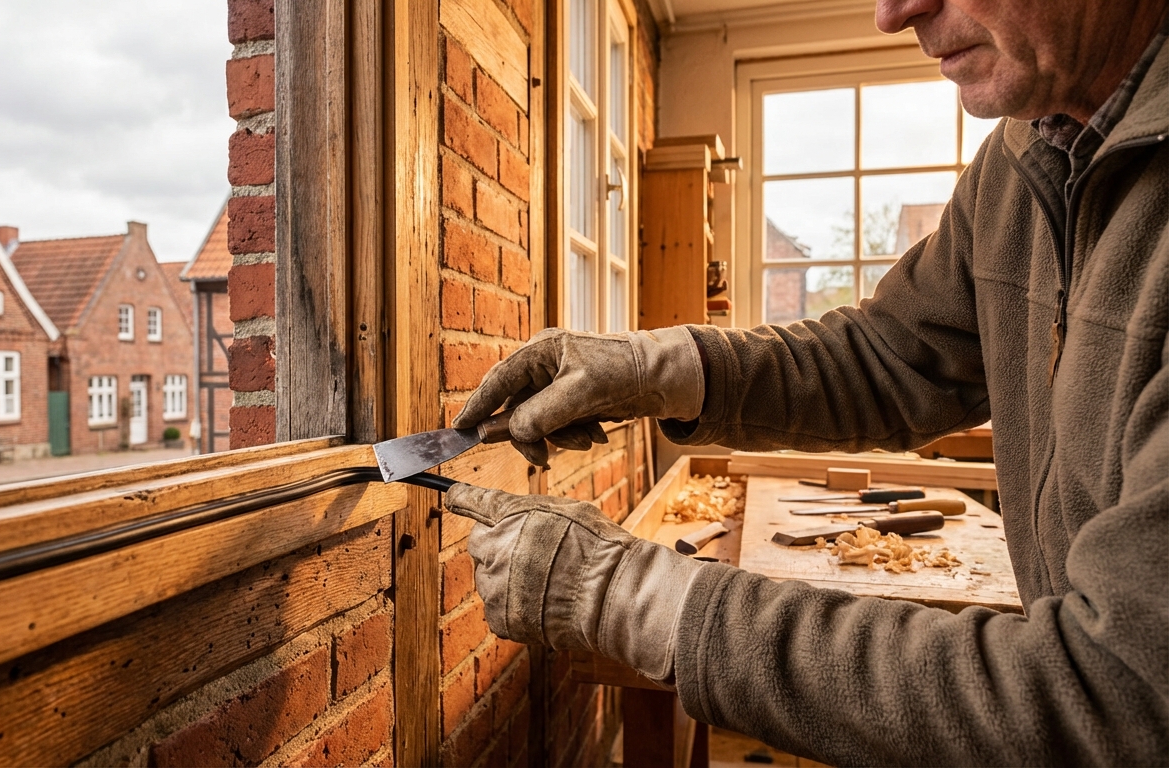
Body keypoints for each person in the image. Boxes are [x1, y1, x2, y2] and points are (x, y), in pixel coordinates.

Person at [444, 0, 1169, 764]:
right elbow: (891, 355)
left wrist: (640, 600)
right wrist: (657, 369)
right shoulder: (1027, 157)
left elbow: (1113, 695)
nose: (896, 12)